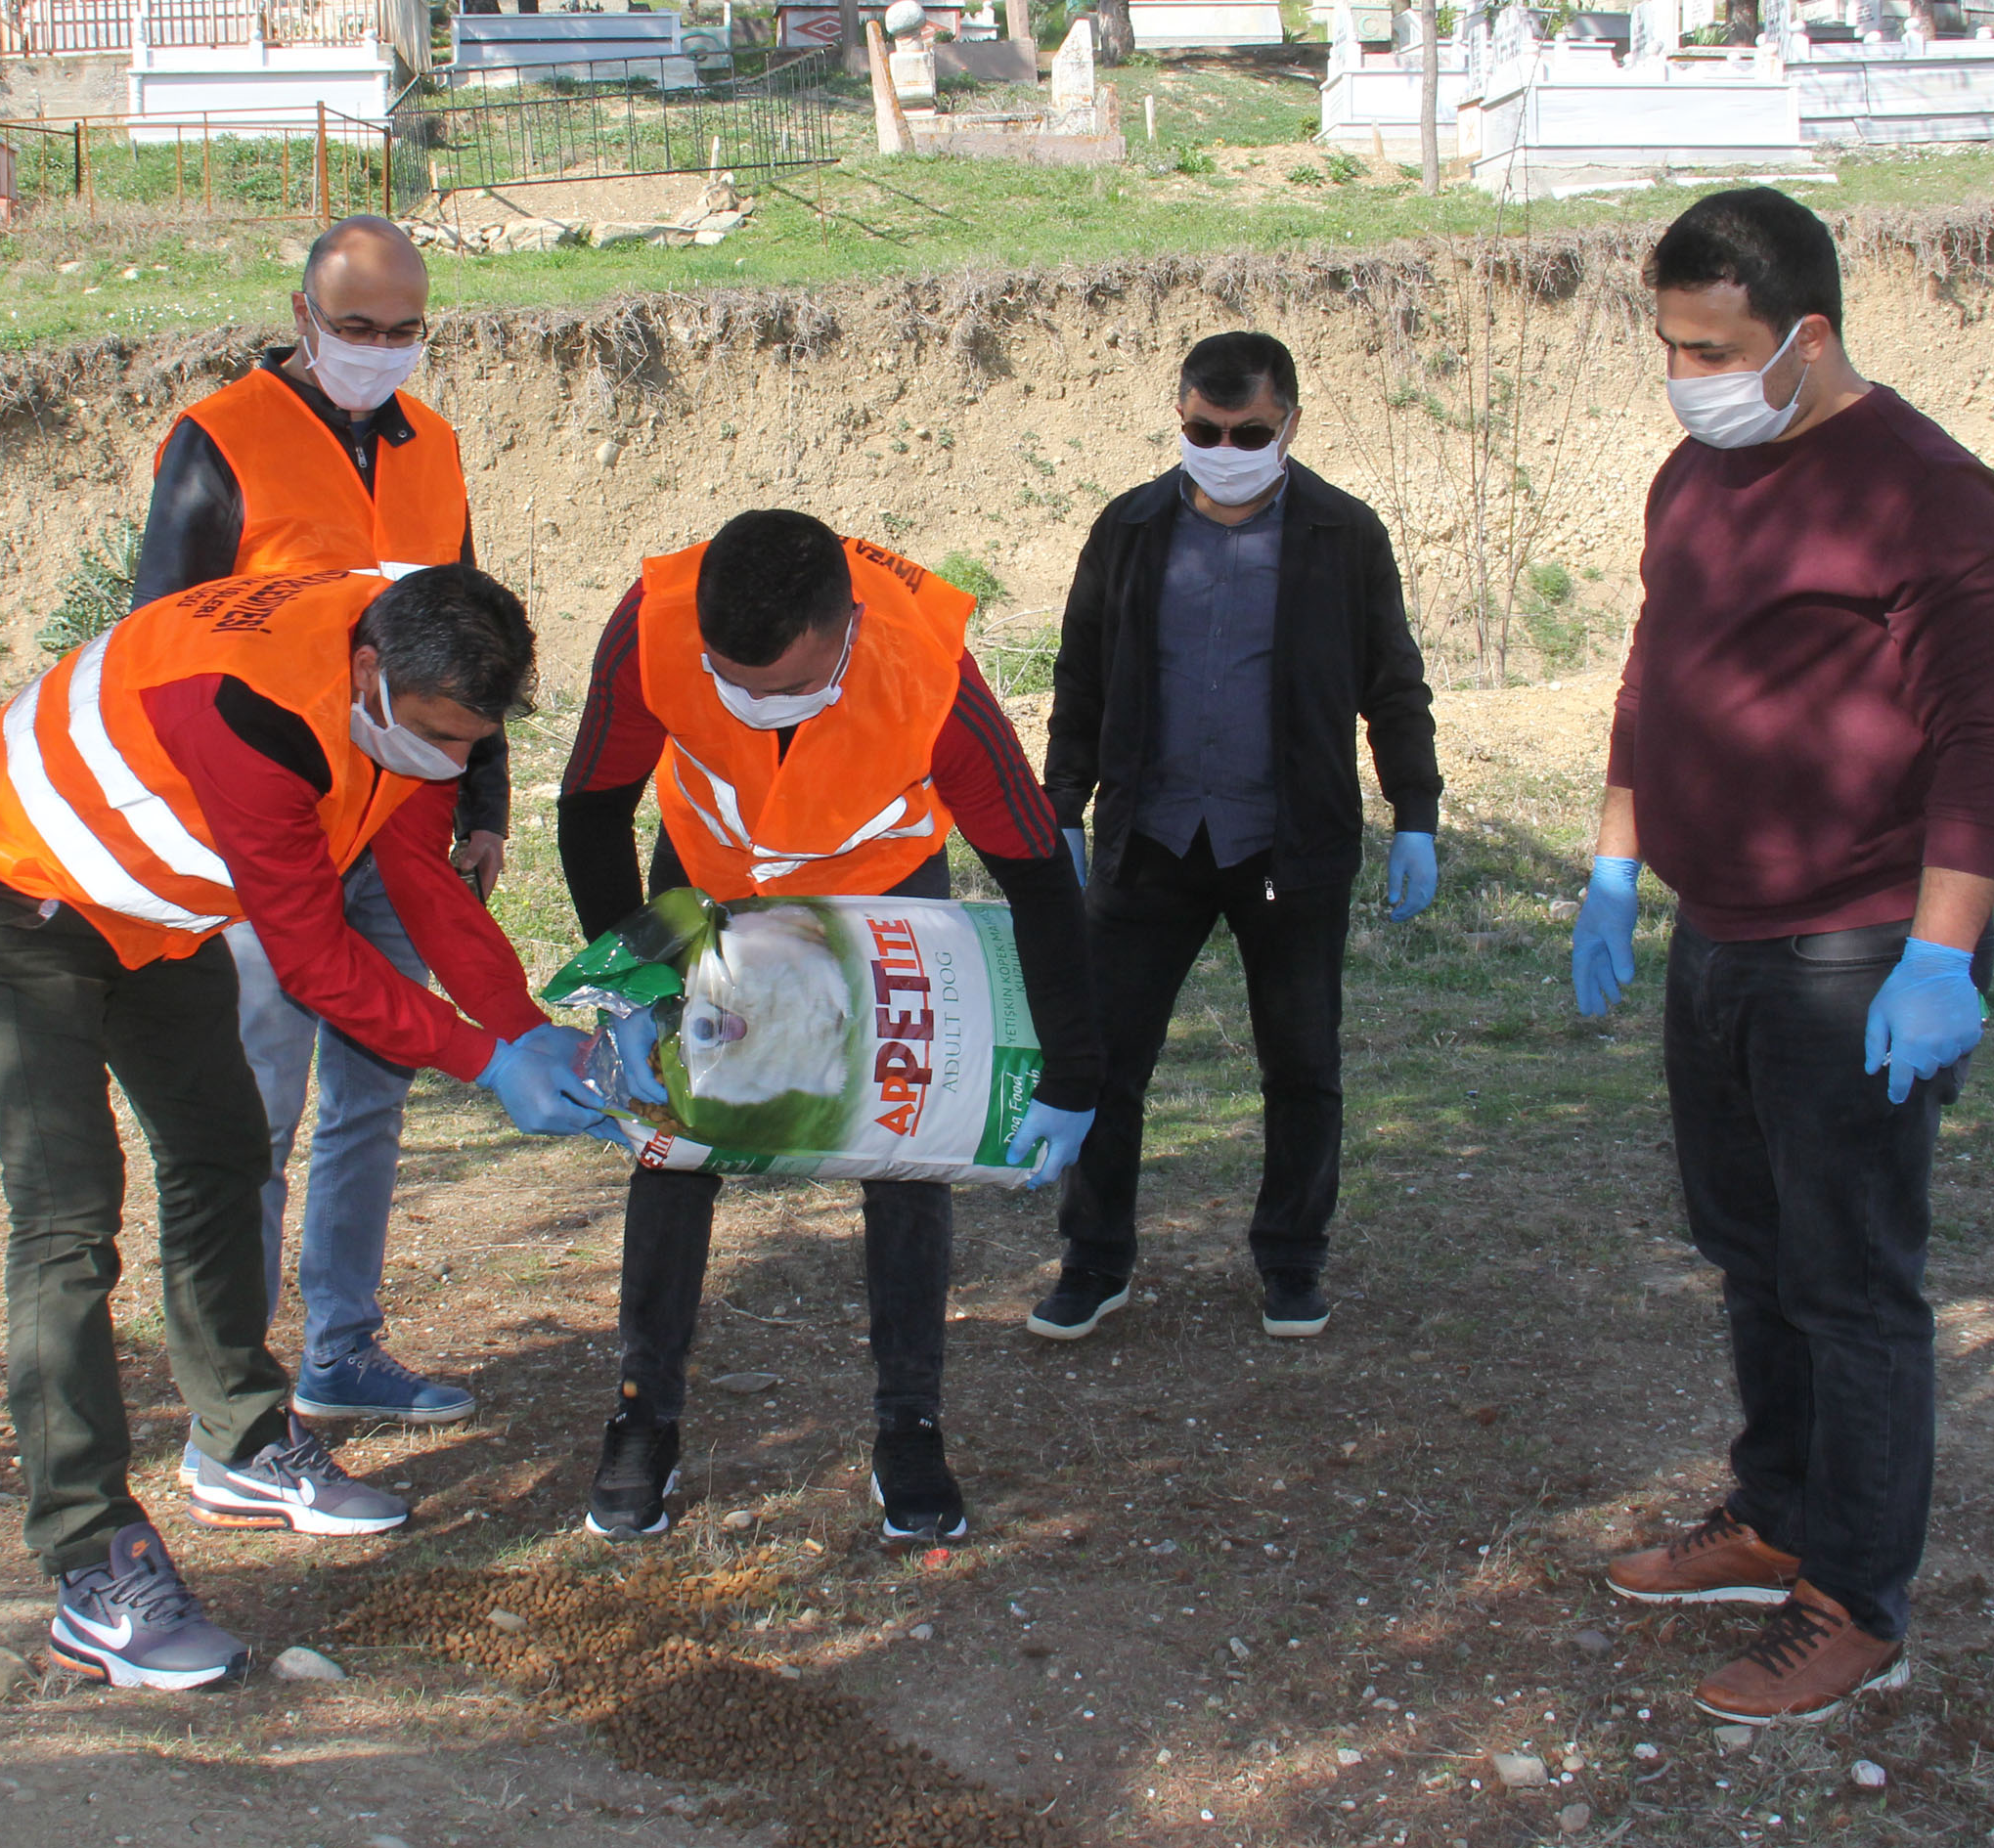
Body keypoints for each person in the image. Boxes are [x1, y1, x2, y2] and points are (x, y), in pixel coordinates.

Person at [0, 564, 606, 1691]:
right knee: (69, 1217)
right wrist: (483, 1062)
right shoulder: (253, 714)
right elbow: (317, 960)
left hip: (152, 912)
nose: (446, 758)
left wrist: (525, 1025)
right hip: (16, 897)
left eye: (467, 744)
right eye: (432, 735)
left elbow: (421, 876)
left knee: (226, 1153)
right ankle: (91, 1562)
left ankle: (238, 1440)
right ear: (370, 674)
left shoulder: (412, 667)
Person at [1573, 189, 1994, 1725]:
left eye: (1711, 347)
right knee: (1747, 1249)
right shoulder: (1693, 472)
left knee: (1852, 1284)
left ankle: (1854, 1597)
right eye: (1667, 345)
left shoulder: (1927, 492)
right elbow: (1656, 675)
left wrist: (1940, 956)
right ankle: (1773, 1510)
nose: (1684, 373)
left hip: (1852, 947)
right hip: (1715, 931)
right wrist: (1613, 862)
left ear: (1809, 336)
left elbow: (1987, 741)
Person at [554, 510, 1103, 1544]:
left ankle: (909, 1422)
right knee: (672, 1135)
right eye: (731, 682)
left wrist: (1076, 1073)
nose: (755, 707)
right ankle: (643, 1415)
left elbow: (1036, 872)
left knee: (904, 1138)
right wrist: (631, 983)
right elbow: (593, 804)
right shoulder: (651, 626)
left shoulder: (930, 674)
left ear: (846, 628)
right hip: (711, 874)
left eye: (788, 687)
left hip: (882, 888)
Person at [138, 213, 506, 1431]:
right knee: (257, 1109)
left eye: (406, 332)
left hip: (398, 814)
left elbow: (468, 630)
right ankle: (231, 1393)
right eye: (357, 328)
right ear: (301, 317)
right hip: (262, 830)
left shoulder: (437, 446)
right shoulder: (219, 443)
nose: (382, 350)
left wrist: (483, 801)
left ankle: (342, 1349)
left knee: (373, 1092)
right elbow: (160, 651)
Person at [1033, 331, 1441, 1345]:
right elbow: (1078, 681)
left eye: (1247, 430)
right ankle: (1094, 1260)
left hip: (1285, 849)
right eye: (1202, 430)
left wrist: (1415, 817)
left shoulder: (1343, 536)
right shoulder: (1126, 529)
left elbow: (1392, 686)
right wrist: (1062, 809)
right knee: (1103, 1061)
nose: (1224, 445)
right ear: (1179, 420)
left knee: (1300, 1064)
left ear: (1289, 424)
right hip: (1151, 841)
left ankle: (1292, 1262)